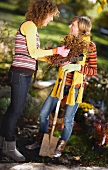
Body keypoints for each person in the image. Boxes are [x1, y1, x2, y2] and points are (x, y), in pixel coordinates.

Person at [0, 0, 70, 162]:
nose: (51, 20)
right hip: (20, 74)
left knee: (13, 109)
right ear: (43, 12)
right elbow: (33, 52)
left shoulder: (32, 27)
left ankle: (3, 141)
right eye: (51, 16)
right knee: (16, 111)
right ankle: (9, 147)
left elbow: (35, 54)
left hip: (23, 73)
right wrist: (56, 50)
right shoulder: (29, 26)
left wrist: (55, 60)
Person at [26, 16, 97, 157]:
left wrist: (77, 67)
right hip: (61, 84)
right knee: (43, 113)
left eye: (73, 25)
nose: (70, 26)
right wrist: (35, 53)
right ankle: (41, 140)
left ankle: (60, 146)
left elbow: (93, 70)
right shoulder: (68, 42)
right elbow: (56, 58)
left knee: (68, 119)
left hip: (75, 87)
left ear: (82, 28)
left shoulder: (90, 46)